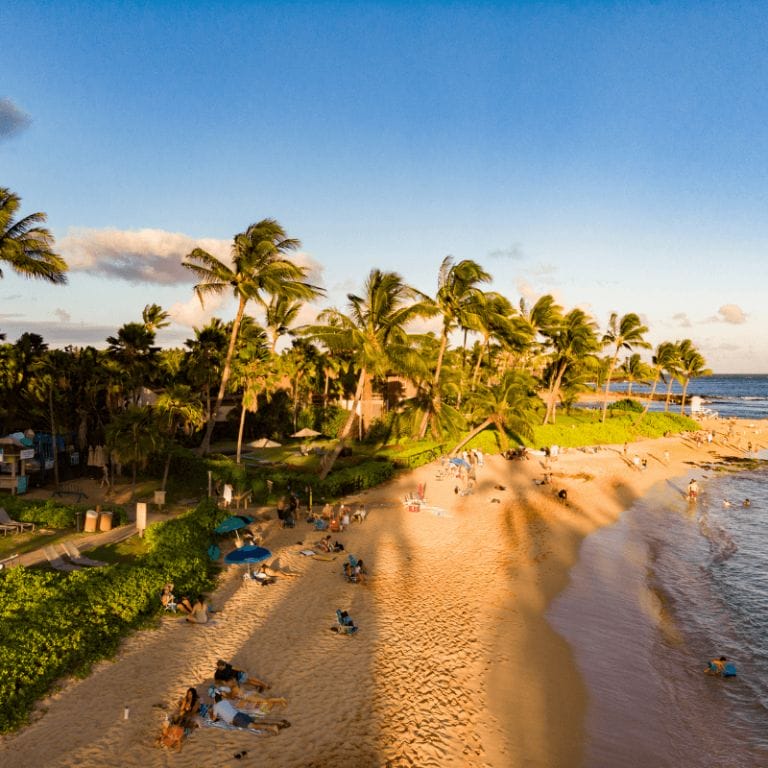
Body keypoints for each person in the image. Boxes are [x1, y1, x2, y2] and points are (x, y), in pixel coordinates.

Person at [211, 692, 289, 733]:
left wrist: (214, 707)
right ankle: (278, 722)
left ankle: (272, 727)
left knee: (254, 726)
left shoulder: (216, 706)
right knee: (257, 721)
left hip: (236, 719)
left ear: (215, 700)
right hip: (240, 714)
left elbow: (214, 718)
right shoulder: (225, 701)